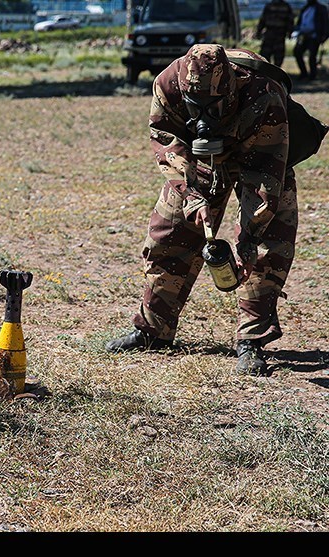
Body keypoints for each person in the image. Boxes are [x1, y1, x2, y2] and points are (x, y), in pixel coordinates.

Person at [106, 44, 297, 377]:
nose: (205, 115)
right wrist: (192, 196)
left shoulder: (262, 93)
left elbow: (264, 178)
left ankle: (251, 341)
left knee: (268, 243)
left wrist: (248, 237)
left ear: (231, 89)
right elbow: (166, 140)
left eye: (214, 106)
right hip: (200, 158)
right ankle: (154, 330)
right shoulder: (168, 84)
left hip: (261, 152)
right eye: (197, 105)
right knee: (169, 232)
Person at [293, 0, 329, 80]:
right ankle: (304, 73)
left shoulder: (321, 8)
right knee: (297, 52)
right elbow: (300, 22)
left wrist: (324, 36)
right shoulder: (305, 8)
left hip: (314, 36)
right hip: (303, 35)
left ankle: (313, 75)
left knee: (312, 56)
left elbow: (326, 23)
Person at [256, 0, 295, 66]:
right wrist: (290, 32)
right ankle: (269, 70)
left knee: (275, 57)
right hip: (274, 34)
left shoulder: (282, 6)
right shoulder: (284, 6)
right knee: (266, 56)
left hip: (276, 34)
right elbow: (263, 20)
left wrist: (259, 31)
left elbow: (290, 21)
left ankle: (272, 70)